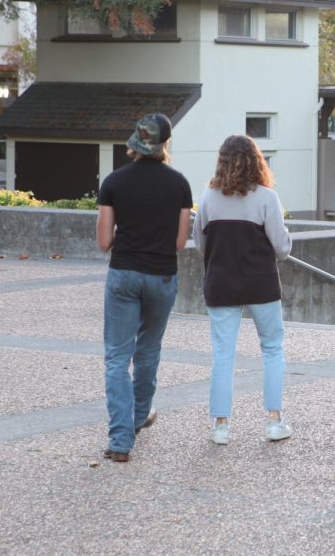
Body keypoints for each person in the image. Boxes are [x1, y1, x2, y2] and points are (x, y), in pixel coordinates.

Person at [96, 113, 193, 463]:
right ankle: (138, 418)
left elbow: (104, 241)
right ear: (165, 143)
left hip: (123, 275)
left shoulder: (114, 183)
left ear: (136, 141)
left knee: (117, 357)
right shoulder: (180, 184)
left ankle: (121, 441)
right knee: (148, 350)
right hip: (162, 276)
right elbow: (180, 243)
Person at [193, 135, 293, 446]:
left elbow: (200, 244)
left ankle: (221, 425)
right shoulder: (266, 197)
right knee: (272, 349)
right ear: (256, 160)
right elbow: (281, 247)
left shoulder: (209, 198)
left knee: (223, 354)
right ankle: (274, 420)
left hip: (221, 282)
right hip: (260, 282)